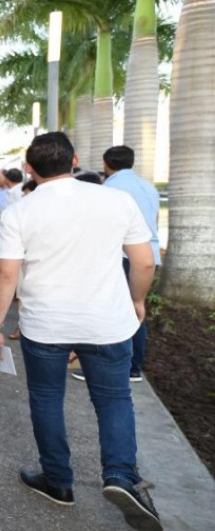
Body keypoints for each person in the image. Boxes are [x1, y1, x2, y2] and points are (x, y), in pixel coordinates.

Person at [0, 133, 160, 531]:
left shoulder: (21, 212)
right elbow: (144, 261)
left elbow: (7, 273)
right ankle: (120, 475)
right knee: (114, 399)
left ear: (29, 168)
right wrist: (137, 301)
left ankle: (58, 480)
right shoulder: (116, 201)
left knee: (47, 399)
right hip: (107, 322)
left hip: (45, 325)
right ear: (76, 160)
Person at [97, 145, 160, 382]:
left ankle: (120, 366)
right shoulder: (149, 186)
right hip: (151, 254)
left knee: (116, 310)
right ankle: (135, 366)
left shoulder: (110, 188)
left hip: (124, 255)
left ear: (106, 163)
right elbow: (154, 220)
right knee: (137, 310)